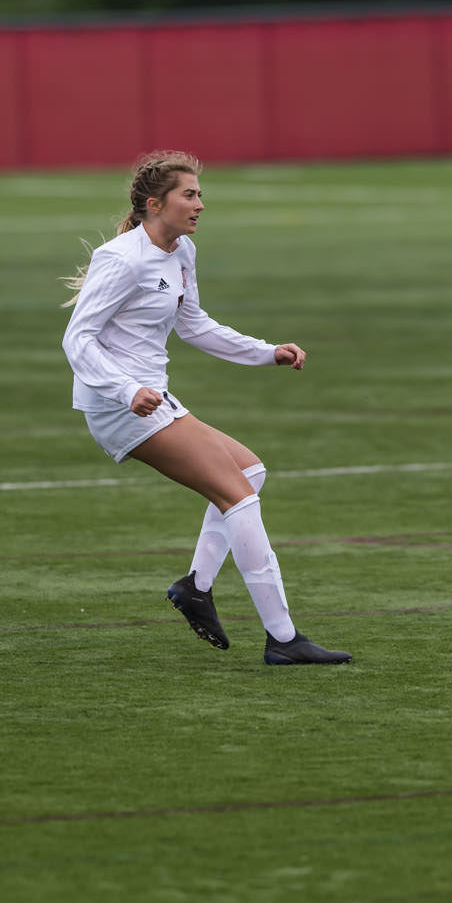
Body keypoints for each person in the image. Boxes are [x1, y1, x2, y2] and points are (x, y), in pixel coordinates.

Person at [60, 149, 351, 665]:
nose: (200, 205)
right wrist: (126, 390)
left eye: (200, 195)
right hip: (121, 404)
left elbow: (194, 324)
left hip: (154, 397)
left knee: (250, 471)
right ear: (155, 204)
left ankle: (196, 587)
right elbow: (77, 339)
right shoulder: (122, 258)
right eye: (189, 195)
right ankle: (283, 639)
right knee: (239, 498)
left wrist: (266, 352)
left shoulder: (181, 253)